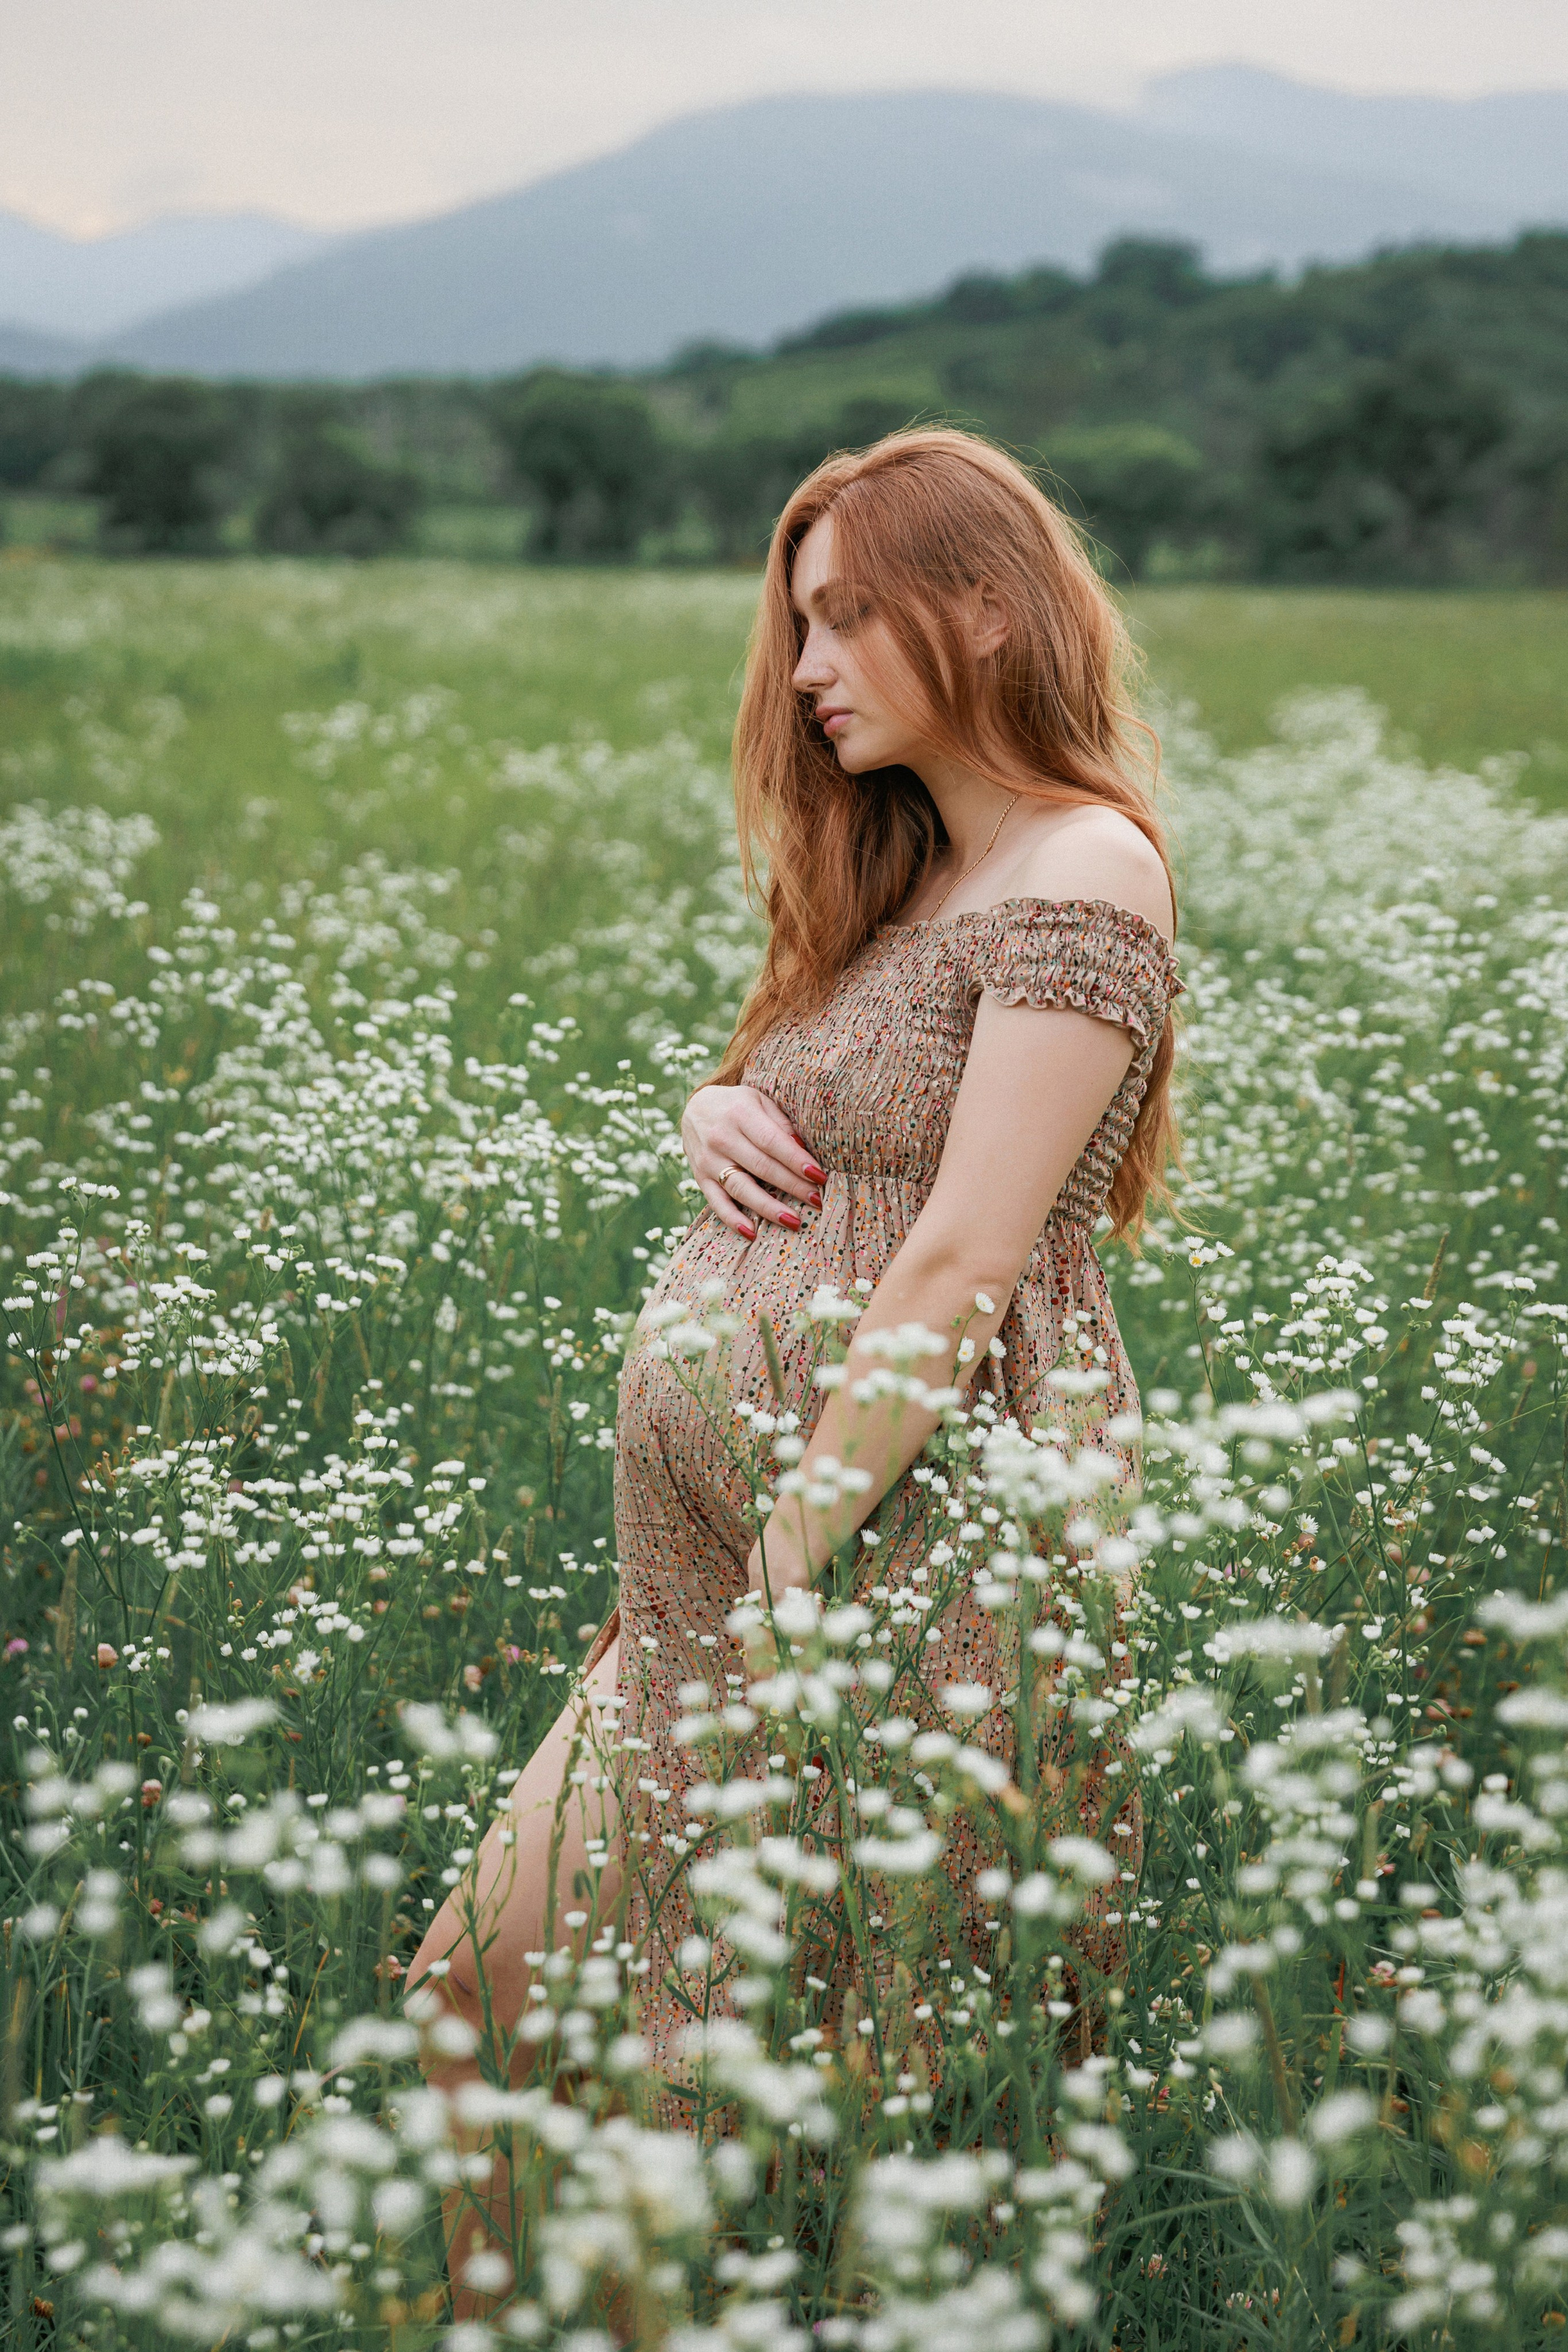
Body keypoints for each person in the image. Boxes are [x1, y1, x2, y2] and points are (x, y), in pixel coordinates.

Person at [412, 426, 1182, 2302]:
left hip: (895, 1556)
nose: (809, 667)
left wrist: (792, 1556)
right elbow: (836, 1115)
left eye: (845, 617)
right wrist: (716, 1105)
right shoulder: (909, 868)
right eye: (800, 624)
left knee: (739, 2085)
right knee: (478, 1998)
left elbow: (969, 1253)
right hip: (711, 1571)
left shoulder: (1085, 864)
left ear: (981, 606)